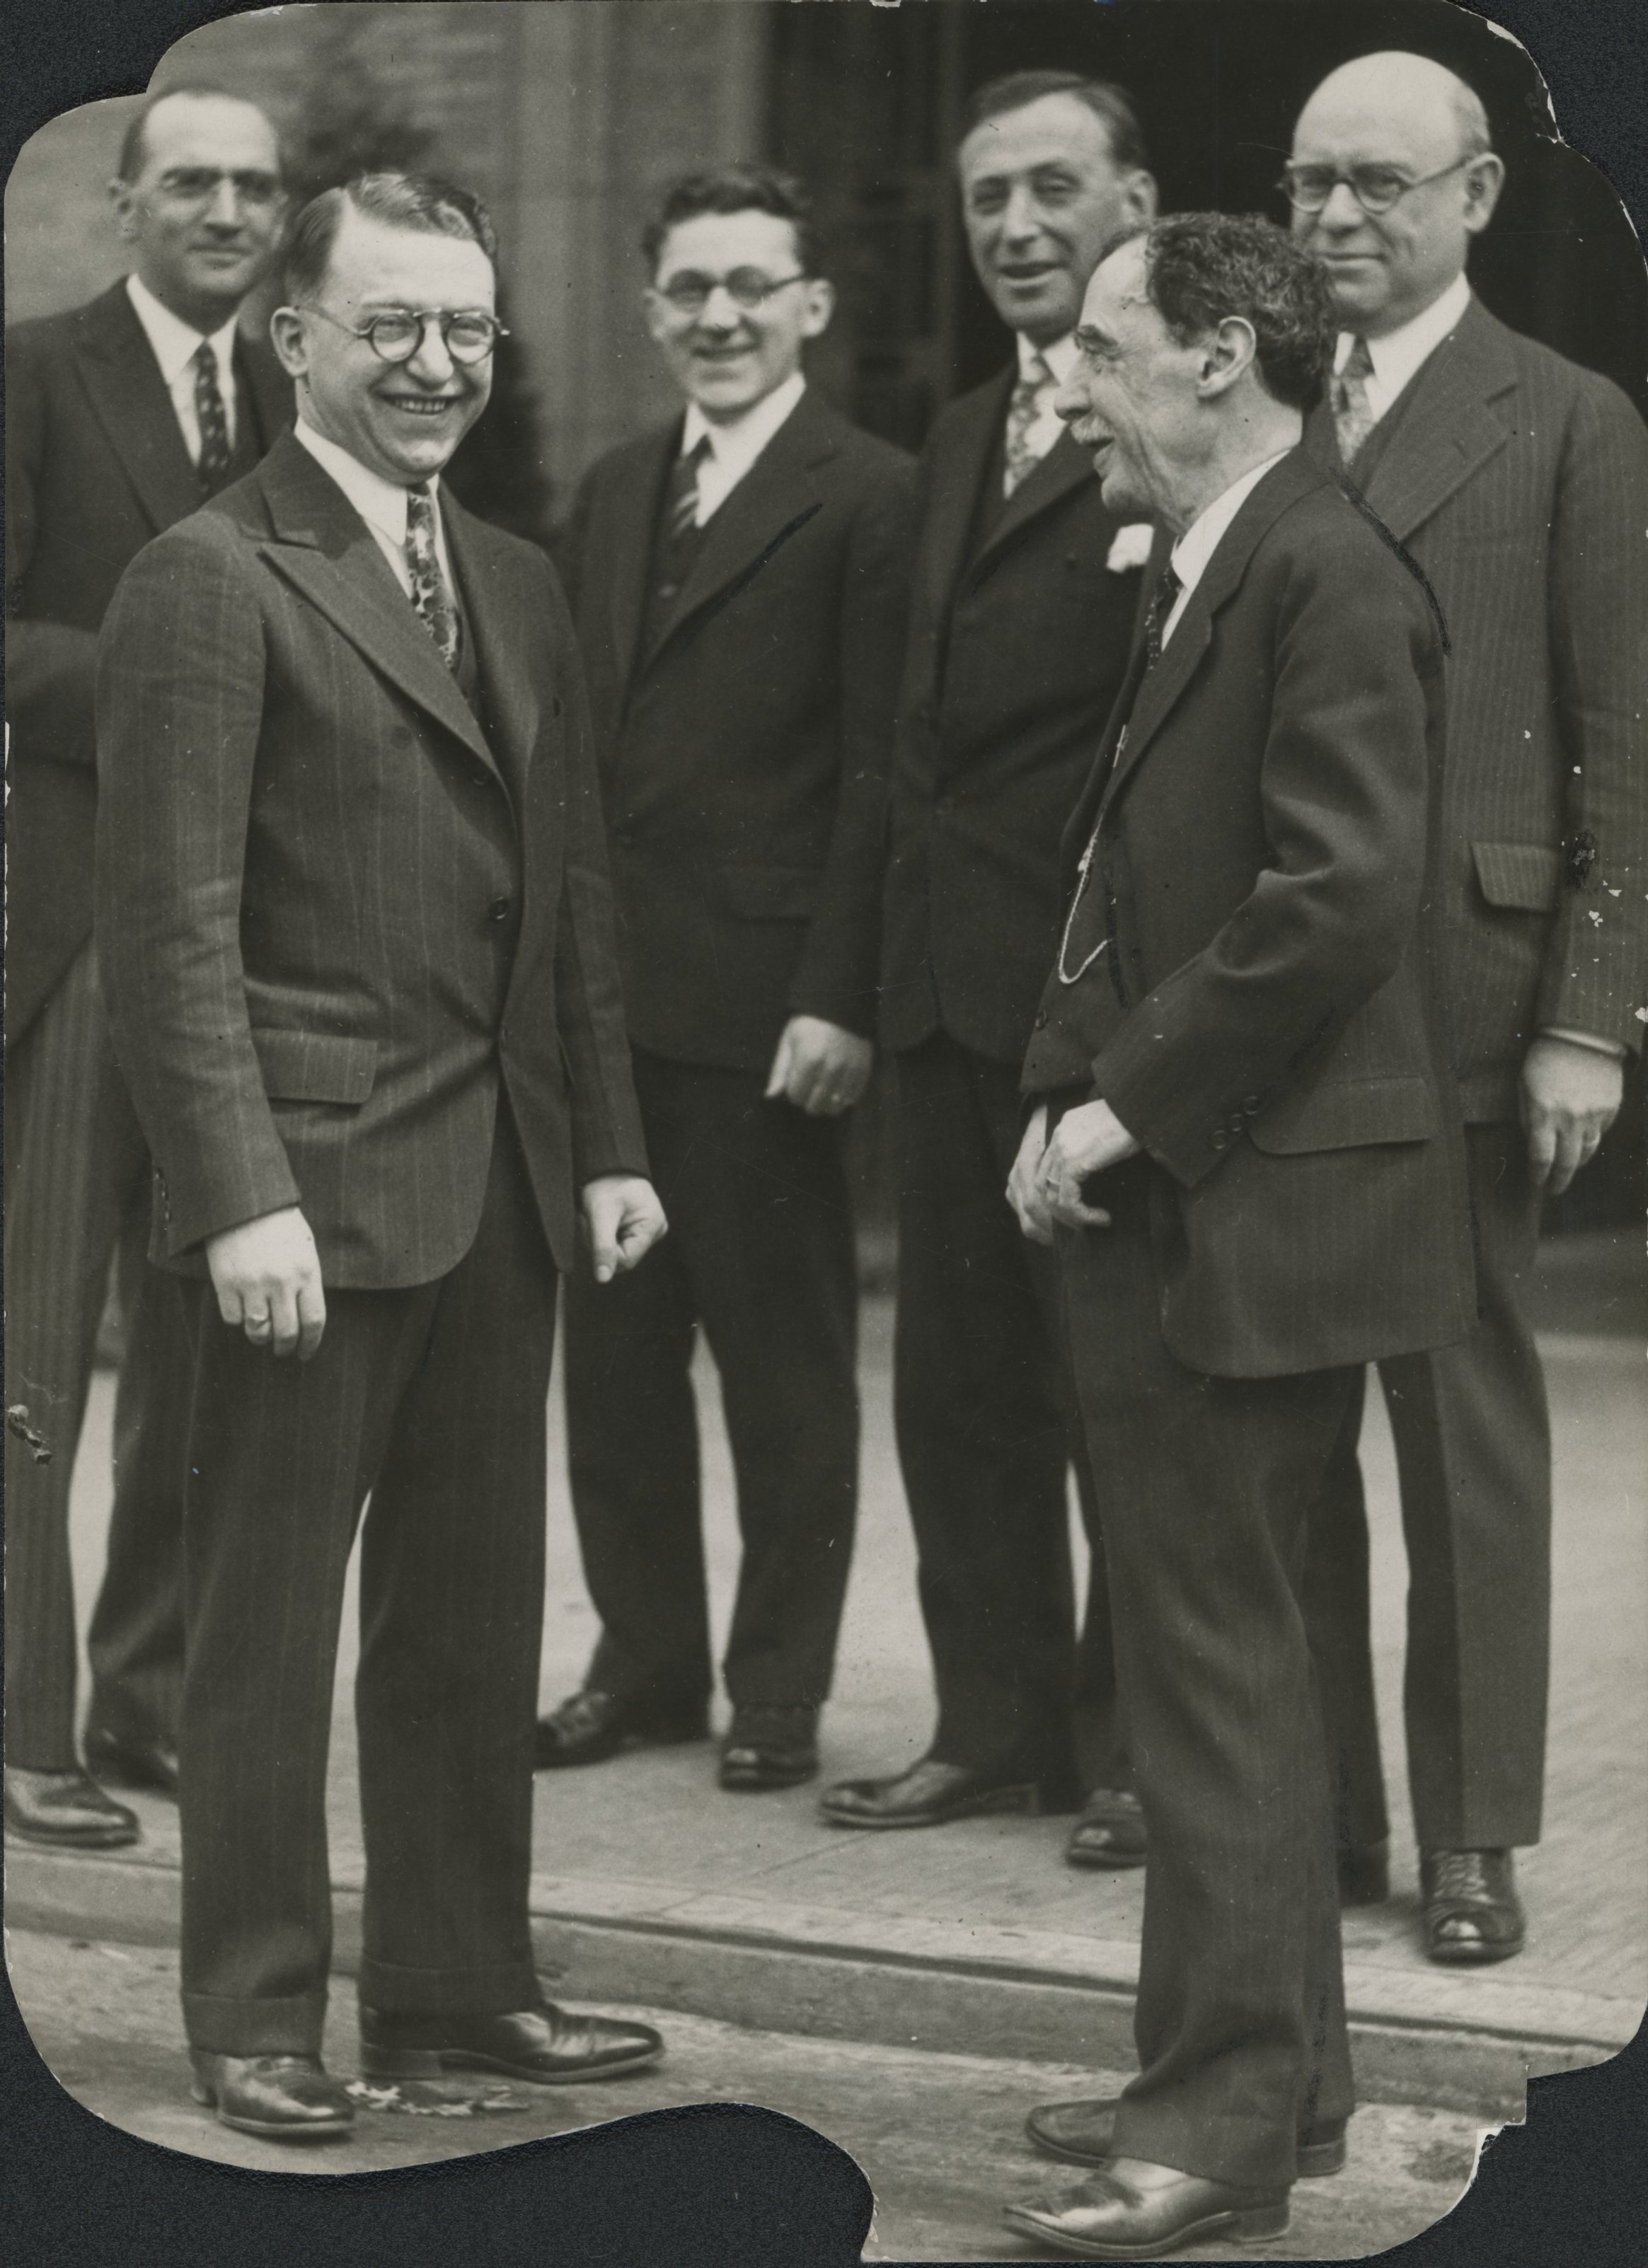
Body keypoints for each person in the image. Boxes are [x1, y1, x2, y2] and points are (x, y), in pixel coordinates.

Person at [94, 171, 669, 2140]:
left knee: (470, 1617)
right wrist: (236, 1191)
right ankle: (255, 2010)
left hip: (497, 1184)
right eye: (394, 325)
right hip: (306, 1204)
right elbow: (172, 925)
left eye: (467, 329)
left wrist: (607, 1142)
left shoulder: (510, 574)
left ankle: (455, 1989)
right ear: (297, 340)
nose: (437, 363)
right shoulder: (208, 575)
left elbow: (566, 885)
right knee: (263, 1630)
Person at [998, 214, 1476, 2257]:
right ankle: (1267, 2084)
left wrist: (1120, 1105)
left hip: (1246, 1210)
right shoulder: (1238, 556)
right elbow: (1153, 879)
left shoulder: (1318, 565)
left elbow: (1336, 893)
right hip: (1232, 1199)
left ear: (1218, 357)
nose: (1069, 390)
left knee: (1212, 1676)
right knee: (1234, 1666)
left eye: (1102, 352)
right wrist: (1070, 1090)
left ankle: (1209, 2129)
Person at [1286, 51, 1648, 1962]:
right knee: (1276, 1425)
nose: (1335, 217)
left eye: (1377, 182)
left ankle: (1472, 1833)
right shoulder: (1256, 400)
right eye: (1307, 183)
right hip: (1269, 1004)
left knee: (1461, 1437)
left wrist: (1589, 1015)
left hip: (1466, 1001)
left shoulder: (1568, 418)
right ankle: (1321, 1811)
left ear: (1477, 195)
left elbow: (1625, 742)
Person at [536, 166, 914, 1794]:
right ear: (650, 310)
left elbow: (884, 773)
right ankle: (644, 1662)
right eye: (689, 287)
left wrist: (841, 994)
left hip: (770, 1021)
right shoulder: (619, 488)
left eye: (752, 285)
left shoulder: (873, 494)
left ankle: (776, 1687)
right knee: (616, 1369)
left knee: (781, 1374)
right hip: (612, 1013)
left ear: (811, 306)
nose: (719, 315)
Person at [821, 71, 1158, 1858]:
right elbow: (911, 742)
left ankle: (1132, 1747)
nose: (1016, 228)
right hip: (947, 995)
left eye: (1051, 189)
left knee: (1112, 1385)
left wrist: (1119, 1020)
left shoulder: (1184, 412)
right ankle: (994, 1723)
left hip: (1093, 998)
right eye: (986, 201)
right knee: (955, 1386)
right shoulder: (958, 433)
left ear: (1134, 205)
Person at [4, 86, 293, 1851]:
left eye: (256, 186)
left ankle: (153, 1693)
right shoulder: (35, 371)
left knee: (201, 1343)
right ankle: (22, 1722)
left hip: (252, 935)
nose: (227, 210)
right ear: (126, 202)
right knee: (36, 1345)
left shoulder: (298, 400)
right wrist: (172, 685)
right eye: (192, 181)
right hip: (84, 931)